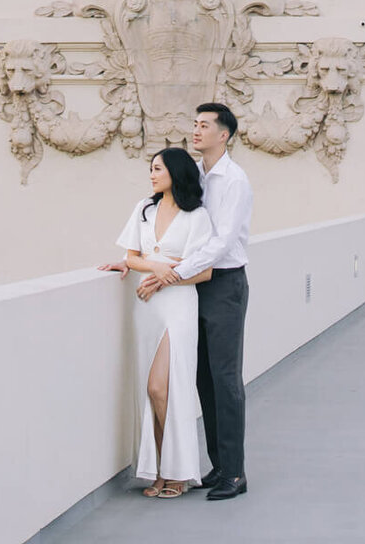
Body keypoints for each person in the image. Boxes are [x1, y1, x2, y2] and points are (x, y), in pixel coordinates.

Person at [138, 103, 252, 501]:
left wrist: (175, 270)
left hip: (223, 284)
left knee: (225, 378)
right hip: (192, 286)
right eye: (195, 124)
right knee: (201, 378)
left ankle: (235, 474)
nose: (196, 130)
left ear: (224, 135)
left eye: (204, 126)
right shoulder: (198, 175)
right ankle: (216, 466)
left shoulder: (234, 180)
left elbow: (220, 244)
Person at [111, 147, 217, 498]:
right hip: (147, 306)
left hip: (178, 305)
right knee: (153, 390)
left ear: (176, 171)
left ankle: (180, 471)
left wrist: (161, 275)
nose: (152, 174)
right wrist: (156, 268)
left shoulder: (196, 216)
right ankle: (160, 472)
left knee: (164, 388)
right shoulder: (145, 209)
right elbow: (131, 256)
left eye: (158, 168)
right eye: (151, 169)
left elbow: (203, 271)